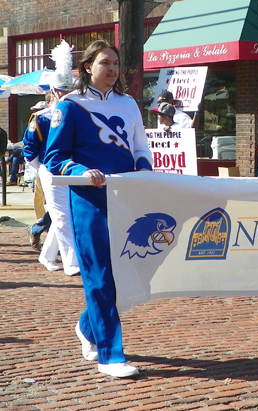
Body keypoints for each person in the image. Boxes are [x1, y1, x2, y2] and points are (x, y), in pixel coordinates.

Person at [45, 40, 153, 378]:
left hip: (126, 199)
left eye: (116, 63)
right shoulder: (70, 105)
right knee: (100, 276)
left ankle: (87, 327)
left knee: (125, 276)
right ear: (87, 67)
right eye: (105, 62)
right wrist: (80, 172)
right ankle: (111, 356)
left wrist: (145, 171)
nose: (112, 69)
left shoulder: (128, 103)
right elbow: (54, 158)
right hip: (88, 201)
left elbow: (140, 149)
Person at [24, 40, 80, 276]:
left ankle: (47, 256)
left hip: (73, 170)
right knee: (62, 216)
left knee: (64, 215)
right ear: (54, 92)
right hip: (51, 171)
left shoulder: (78, 115)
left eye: (70, 91)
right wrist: (44, 170)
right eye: (63, 91)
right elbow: (30, 150)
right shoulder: (43, 118)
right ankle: (72, 263)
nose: (66, 95)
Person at [24, 97, 52, 251]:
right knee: (49, 203)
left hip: (72, 168)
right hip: (46, 167)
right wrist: (41, 168)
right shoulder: (41, 119)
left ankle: (37, 228)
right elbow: (30, 146)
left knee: (61, 210)